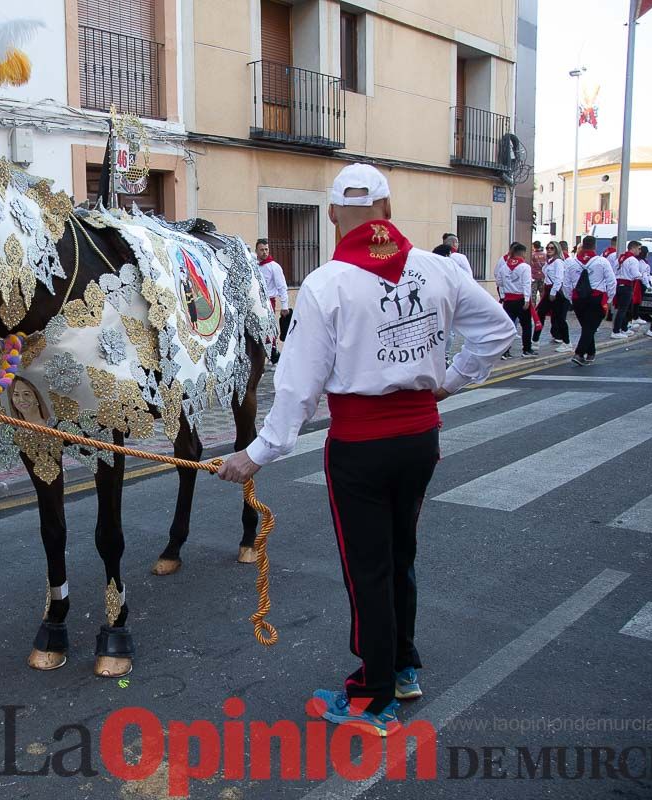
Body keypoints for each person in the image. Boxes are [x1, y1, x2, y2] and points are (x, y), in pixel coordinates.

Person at [217, 164, 514, 737]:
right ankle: (401, 667)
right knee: (399, 555)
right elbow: (498, 333)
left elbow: (299, 387)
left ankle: (372, 694)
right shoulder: (440, 268)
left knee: (368, 568)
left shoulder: (327, 283)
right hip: (419, 438)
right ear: (387, 207)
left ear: (331, 215)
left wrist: (255, 454)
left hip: (361, 444)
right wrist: (448, 380)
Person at [561, 235, 616, 366]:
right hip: (596, 298)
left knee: (587, 326)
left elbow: (566, 284)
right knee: (591, 327)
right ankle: (579, 353)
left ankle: (591, 352)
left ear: (582, 246)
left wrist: (570, 298)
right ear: (595, 246)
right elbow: (611, 281)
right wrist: (610, 298)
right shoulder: (602, 262)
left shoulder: (572, 262)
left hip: (578, 298)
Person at [494, 242, 534, 358]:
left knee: (508, 326)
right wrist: (527, 299)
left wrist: (507, 288)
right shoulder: (525, 267)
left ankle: (505, 351)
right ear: (522, 253)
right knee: (526, 325)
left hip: (508, 300)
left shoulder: (504, 267)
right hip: (521, 299)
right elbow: (527, 284)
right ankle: (527, 349)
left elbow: (499, 282)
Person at [255, 239, 290, 362]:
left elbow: (282, 287)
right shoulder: (253, 264)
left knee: (269, 327)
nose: (264, 252)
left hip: (269, 301)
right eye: (262, 250)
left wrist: (285, 306)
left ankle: (272, 354)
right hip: (255, 301)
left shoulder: (274, 267)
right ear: (256, 251)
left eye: (266, 249)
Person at [533, 241, 569, 352]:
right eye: (548, 248)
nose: (549, 250)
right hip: (548, 290)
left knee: (559, 318)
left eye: (552, 248)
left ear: (556, 249)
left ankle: (567, 342)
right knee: (540, 314)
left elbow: (559, 278)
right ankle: (535, 340)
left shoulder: (558, 262)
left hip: (555, 292)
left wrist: (553, 292)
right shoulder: (549, 262)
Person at [611, 240, 643, 338]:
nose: (640, 251)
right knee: (623, 309)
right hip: (626, 285)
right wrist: (641, 276)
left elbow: (614, 270)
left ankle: (624, 328)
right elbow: (635, 274)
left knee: (622, 308)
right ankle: (616, 331)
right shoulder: (632, 260)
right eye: (638, 248)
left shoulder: (620, 258)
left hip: (618, 284)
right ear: (632, 248)